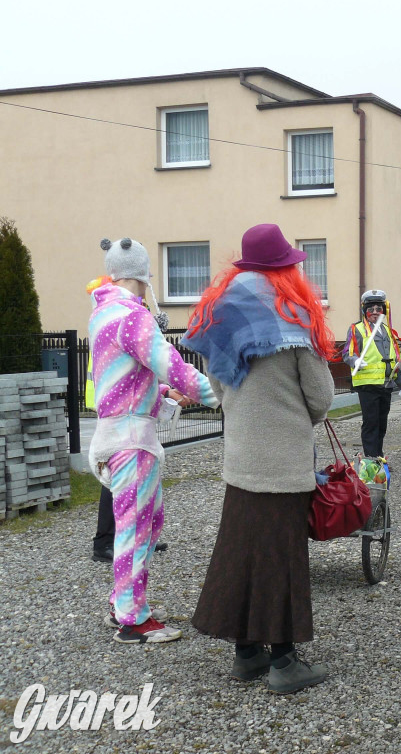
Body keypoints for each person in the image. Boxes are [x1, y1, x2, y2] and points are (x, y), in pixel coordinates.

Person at [184, 223, 336, 694]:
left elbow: (218, 387)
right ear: (285, 267)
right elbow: (321, 398)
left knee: (241, 552)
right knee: (282, 559)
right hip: (285, 461)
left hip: (241, 458)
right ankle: (284, 662)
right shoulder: (295, 317)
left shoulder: (220, 314)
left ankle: (246, 653)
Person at [88, 238, 218, 644]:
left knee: (147, 520)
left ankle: (125, 601)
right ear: (144, 274)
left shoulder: (103, 312)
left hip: (120, 432)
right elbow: (171, 365)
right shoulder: (133, 317)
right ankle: (132, 619)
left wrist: (160, 396)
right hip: (131, 441)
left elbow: (121, 379)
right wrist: (222, 393)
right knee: (135, 526)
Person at [85, 275, 169, 563]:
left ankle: (136, 536)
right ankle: (105, 542)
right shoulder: (115, 313)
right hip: (117, 411)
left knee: (126, 485)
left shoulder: (114, 311)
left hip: (120, 406)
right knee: (117, 485)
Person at [341, 289, 401, 459]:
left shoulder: (386, 330)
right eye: (371, 309)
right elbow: (347, 353)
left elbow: (393, 356)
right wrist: (355, 360)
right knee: (371, 424)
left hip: (385, 385)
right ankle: (371, 460)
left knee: (382, 424)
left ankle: (378, 457)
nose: (375, 313)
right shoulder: (357, 329)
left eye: (379, 309)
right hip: (368, 384)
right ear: (365, 310)